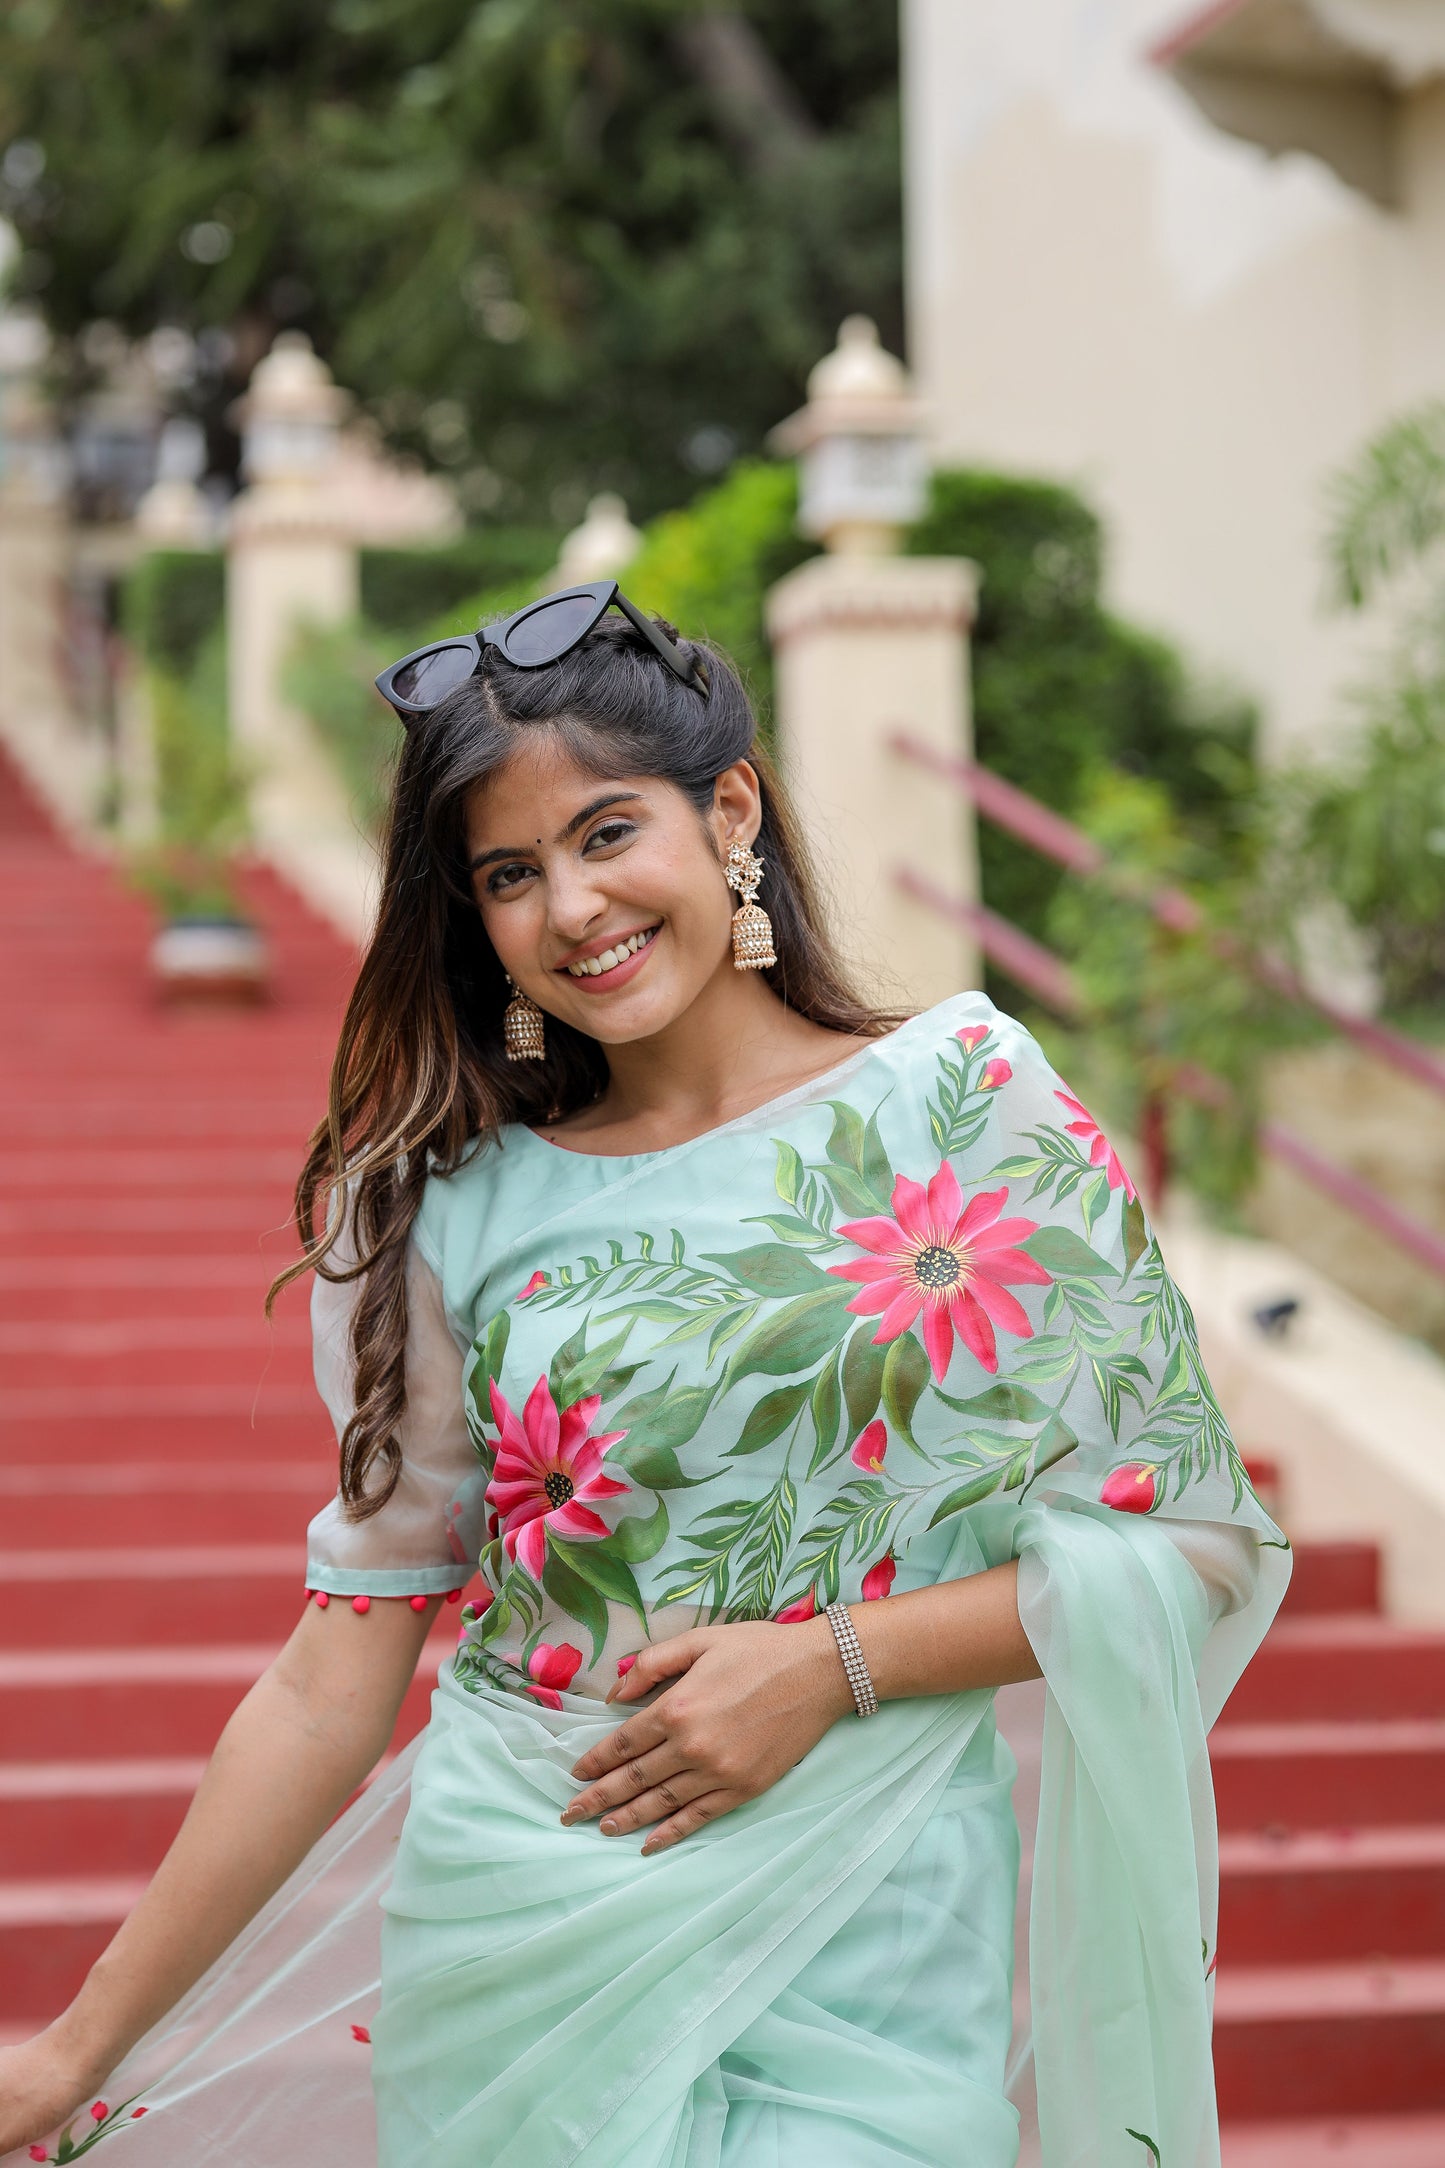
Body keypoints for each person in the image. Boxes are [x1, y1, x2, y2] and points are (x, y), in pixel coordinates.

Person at [0, 588, 1287, 2168]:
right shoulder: (449, 1208)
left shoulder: (962, 1101)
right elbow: (335, 1671)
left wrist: (833, 1659)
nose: (572, 908)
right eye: (507, 875)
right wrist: (71, 2052)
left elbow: (1196, 1544)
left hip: (865, 1928)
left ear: (728, 806)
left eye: (608, 833)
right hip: (519, 1935)